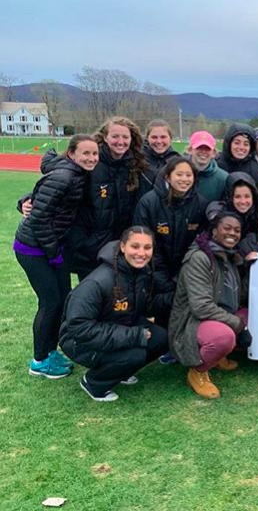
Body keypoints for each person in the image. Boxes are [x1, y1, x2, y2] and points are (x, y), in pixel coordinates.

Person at [15, 135, 100, 379]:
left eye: (94, 154)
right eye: (86, 153)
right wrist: (53, 252)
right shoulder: (65, 177)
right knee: (50, 302)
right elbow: (39, 218)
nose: (91, 158)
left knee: (62, 299)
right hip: (33, 248)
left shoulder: (76, 174)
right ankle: (40, 359)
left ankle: (51, 352)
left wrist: (25, 200)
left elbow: (39, 195)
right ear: (72, 154)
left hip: (53, 247)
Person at [59, 227, 169, 402]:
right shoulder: (97, 282)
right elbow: (79, 328)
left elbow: (146, 307)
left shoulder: (142, 272)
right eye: (135, 246)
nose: (141, 253)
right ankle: (93, 383)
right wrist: (133, 335)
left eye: (147, 248)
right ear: (123, 247)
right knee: (135, 354)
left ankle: (122, 372)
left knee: (162, 338)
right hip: (78, 341)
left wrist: (178, 298)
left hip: (119, 326)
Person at [169, 213, 251, 399]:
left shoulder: (230, 256)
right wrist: (239, 325)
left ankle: (218, 357)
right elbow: (201, 307)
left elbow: (239, 297)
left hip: (218, 315)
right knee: (224, 337)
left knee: (254, 316)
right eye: (227, 228)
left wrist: (251, 267)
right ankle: (198, 371)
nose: (232, 233)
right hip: (193, 321)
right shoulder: (199, 258)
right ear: (214, 231)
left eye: (237, 230)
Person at [66, 116, 148, 280]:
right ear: (105, 137)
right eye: (115, 136)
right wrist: (27, 199)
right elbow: (60, 182)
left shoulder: (134, 165)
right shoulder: (91, 162)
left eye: (125, 137)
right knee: (90, 295)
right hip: (89, 249)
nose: (120, 141)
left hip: (119, 248)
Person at [133, 157, 208, 315]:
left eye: (188, 175)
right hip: (155, 277)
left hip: (186, 275)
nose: (184, 179)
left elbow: (200, 243)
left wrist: (183, 276)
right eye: (179, 174)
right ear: (167, 176)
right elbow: (144, 243)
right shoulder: (149, 202)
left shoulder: (201, 204)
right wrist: (164, 281)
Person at [206, 172, 258, 239]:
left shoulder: (257, 213)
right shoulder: (220, 210)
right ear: (230, 197)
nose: (243, 201)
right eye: (237, 197)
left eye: (247, 196)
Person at [186, 131, 228, 202]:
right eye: (199, 147)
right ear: (190, 150)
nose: (203, 151)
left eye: (207, 148)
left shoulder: (223, 179)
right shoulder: (177, 172)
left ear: (214, 153)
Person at [141, 119, 181, 191]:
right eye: (154, 137)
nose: (159, 141)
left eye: (163, 137)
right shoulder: (137, 157)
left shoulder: (177, 162)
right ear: (147, 138)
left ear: (170, 138)